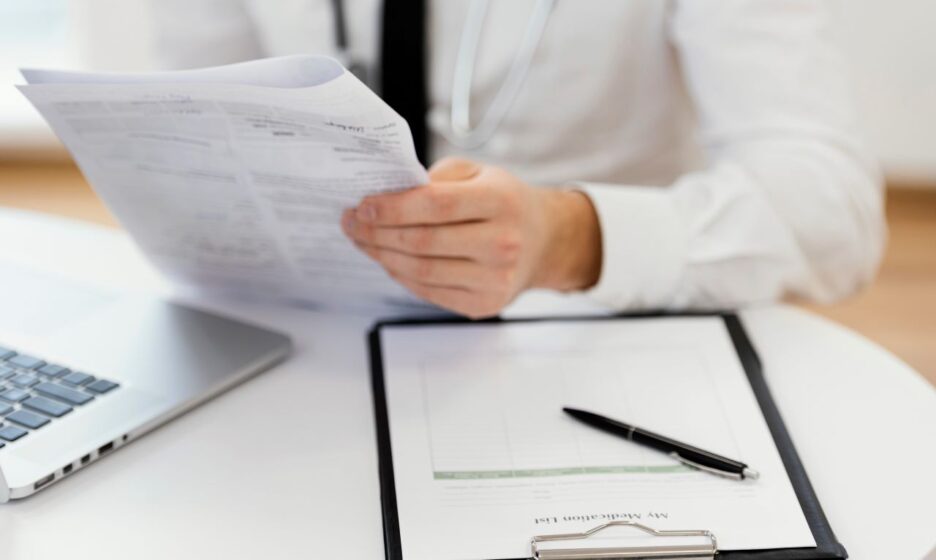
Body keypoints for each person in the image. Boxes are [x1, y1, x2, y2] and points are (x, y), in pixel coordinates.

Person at [152, 0, 885, 318]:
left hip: (598, 329)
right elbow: (188, 124)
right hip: (312, 324)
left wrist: (570, 238)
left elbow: (834, 210)